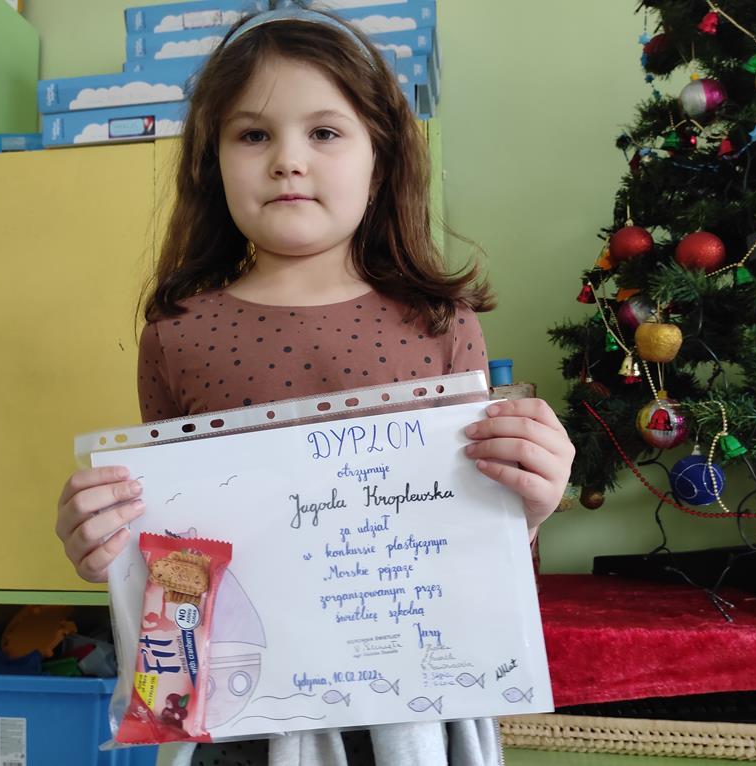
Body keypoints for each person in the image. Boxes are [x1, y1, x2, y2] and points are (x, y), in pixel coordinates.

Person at [55, 6, 575, 766]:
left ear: (380, 160)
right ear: (212, 163)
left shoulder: (438, 324)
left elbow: (468, 542)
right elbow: (175, 549)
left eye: (325, 132)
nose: (287, 161)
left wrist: (529, 506)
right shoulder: (178, 333)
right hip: (239, 714)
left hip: (410, 711)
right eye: (252, 135)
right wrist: (108, 546)